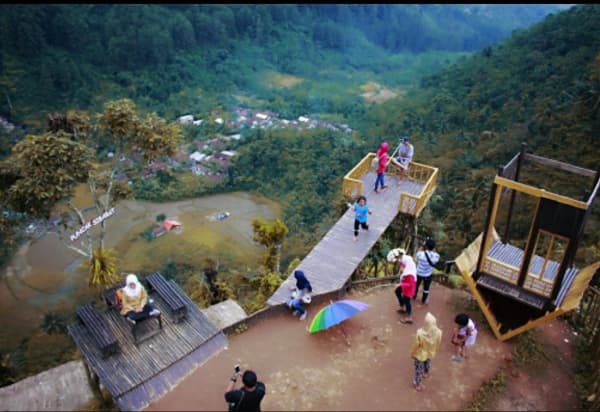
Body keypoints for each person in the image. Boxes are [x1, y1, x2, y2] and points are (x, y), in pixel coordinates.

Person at [410, 312, 442, 392]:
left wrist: (412, 353)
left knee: (418, 370)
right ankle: (426, 373)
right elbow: (438, 343)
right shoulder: (439, 332)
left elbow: (416, 345)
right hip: (430, 352)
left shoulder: (420, 333)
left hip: (420, 355)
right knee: (428, 363)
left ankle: (418, 384)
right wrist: (435, 350)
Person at [387, 248, 417, 324]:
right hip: (405, 283)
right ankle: (402, 306)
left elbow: (410, 284)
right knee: (397, 291)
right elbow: (402, 263)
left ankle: (409, 317)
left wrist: (400, 284)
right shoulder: (407, 262)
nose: (398, 261)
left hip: (409, 286)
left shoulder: (410, 273)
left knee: (407, 300)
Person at [414, 238, 440, 306]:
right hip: (428, 275)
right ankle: (424, 300)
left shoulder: (420, 254)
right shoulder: (436, 256)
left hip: (419, 273)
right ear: (434, 247)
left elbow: (417, 253)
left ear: (426, 246)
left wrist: (423, 246)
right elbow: (435, 257)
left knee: (416, 286)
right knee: (426, 288)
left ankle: (414, 296)